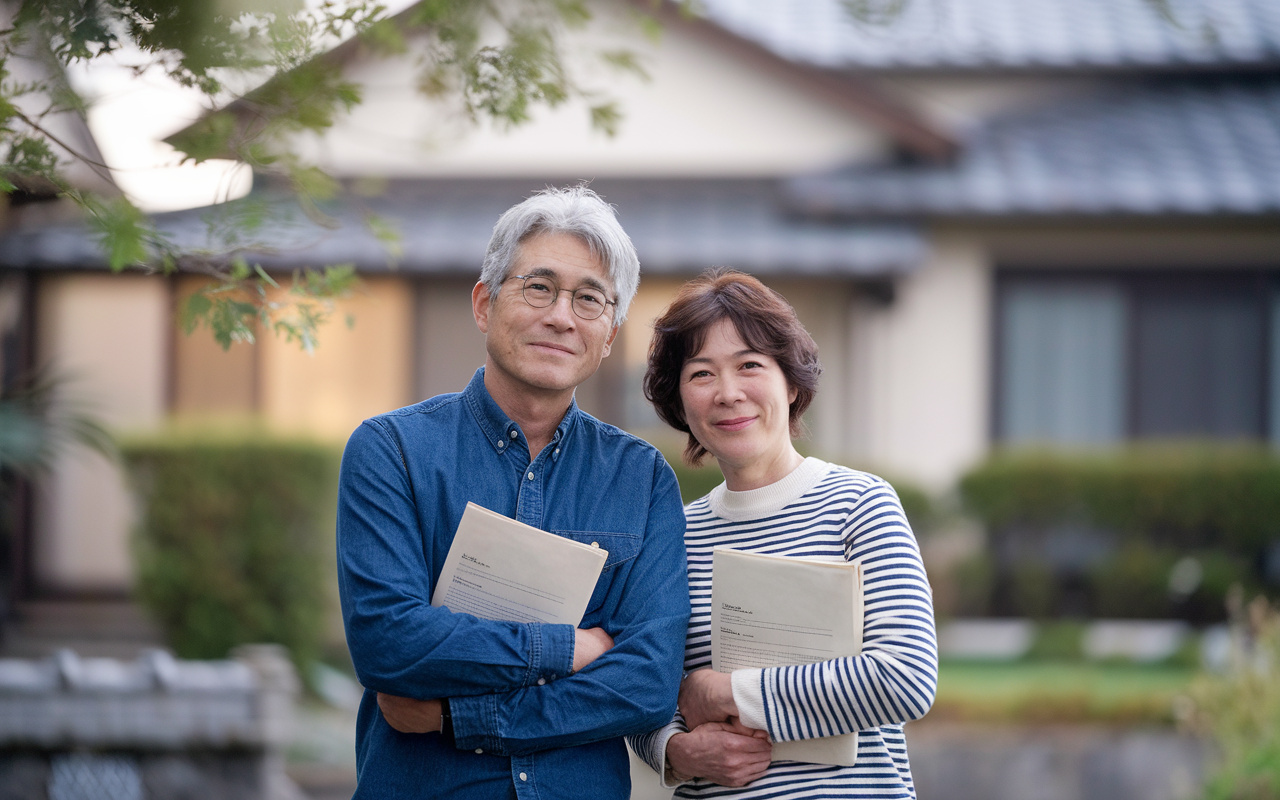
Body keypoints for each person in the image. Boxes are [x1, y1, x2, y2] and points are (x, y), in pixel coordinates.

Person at [336, 185, 690, 799]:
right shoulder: (392, 451)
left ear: (608, 336)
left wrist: (457, 715)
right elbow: (389, 645)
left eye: (589, 300)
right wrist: (570, 648)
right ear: (484, 303)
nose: (561, 316)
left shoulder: (641, 477)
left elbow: (647, 684)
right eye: (539, 287)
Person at [628, 268, 937, 798]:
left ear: (791, 383)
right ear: (679, 402)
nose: (728, 393)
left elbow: (905, 676)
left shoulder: (860, 503)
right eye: (701, 374)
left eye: (749, 365)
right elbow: (637, 691)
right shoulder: (672, 534)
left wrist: (727, 693)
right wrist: (675, 752)